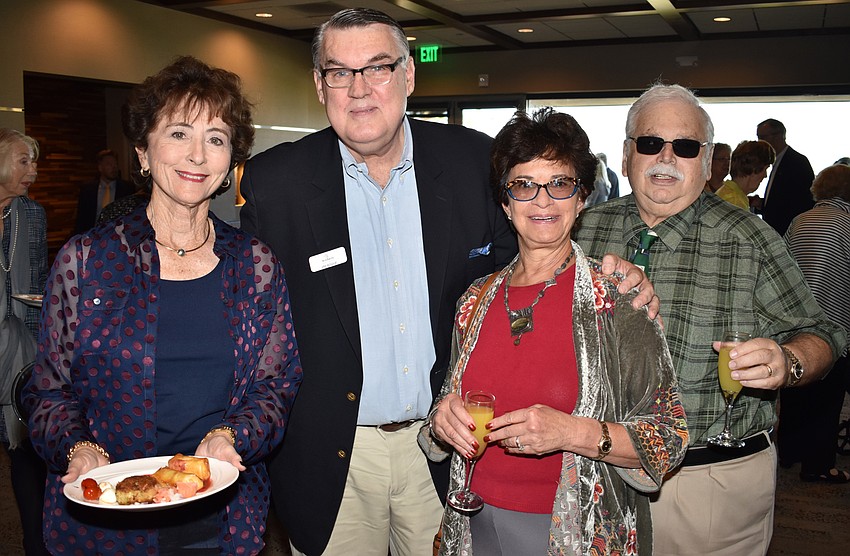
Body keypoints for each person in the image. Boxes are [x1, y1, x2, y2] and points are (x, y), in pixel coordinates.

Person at [239, 8, 656, 555]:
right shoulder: (277, 183)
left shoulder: (472, 163)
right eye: (340, 72)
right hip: (333, 458)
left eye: (378, 68)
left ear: (409, 75)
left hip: (450, 449)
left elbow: (533, 256)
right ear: (320, 85)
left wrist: (610, 267)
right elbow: (254, 325)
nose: (359, 89)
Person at [24, 56, 303, 555]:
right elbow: (47, 389)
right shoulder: (87, 260)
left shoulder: (255, 265)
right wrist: (77, 446)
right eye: (179, 134)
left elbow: (276, 385)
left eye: (216, 139)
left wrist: (232, 437)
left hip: (223, 517)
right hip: (107, 516)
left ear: (228, 164)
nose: (198, 155)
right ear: (143, 153)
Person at [573, 84, 846, 555]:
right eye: (650, 142)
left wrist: (790, 361)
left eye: (684, 147)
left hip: (706, 480)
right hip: (592, 474)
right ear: (625, 155)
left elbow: (824, 334)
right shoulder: (583, 228)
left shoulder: (750, 239)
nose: (665, 157)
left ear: (705, 161)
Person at [420, 108, 688, 554]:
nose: (542, 201)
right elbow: (447, 407)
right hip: (472, 522)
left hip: (571, 528)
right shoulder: (474, 299)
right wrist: (440, 421)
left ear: (581, 198)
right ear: (505, 203)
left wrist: (571, 434)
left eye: (559, 184)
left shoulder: (616, 299)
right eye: (524, 186)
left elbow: (669, 437)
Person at [780, 163, 850, 483]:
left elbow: (783, 266)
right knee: (828, 396)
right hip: (836, 320)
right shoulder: (847, 222)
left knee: (797, 388)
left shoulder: (800, 220)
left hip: (798, 319)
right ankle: (819, 465)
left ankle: (788, 452)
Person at [0, 128, 49, 555]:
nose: (32, 171)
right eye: (23, 161)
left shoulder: (31, 215)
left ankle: (37, 542)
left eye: (33, 162)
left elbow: (39, 273)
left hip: (23, 347)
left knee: (25, 452)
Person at [751, 118, 815, 235]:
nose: (759, 142)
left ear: (778, 136)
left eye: (763, 137)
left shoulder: (796, 162)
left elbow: (801, 203)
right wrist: (763, 204)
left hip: (788, 233)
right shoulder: (778, 161)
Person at [73, 148, 135, 234]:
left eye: (115, 164)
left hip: (118, 238)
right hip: (92, 238)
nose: (114, 167)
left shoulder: (127, 189)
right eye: (109, 164)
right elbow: (81, 220)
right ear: (100, 168)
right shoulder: (88, 190)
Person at [715, 140, 775, 210]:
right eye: (765, 169)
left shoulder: (727, 193)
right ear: (754, 168)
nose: (765, 175)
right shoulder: (735, 202)